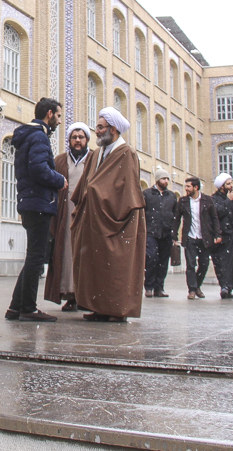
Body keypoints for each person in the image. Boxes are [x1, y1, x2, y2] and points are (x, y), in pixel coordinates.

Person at [70, 107, 146, 322]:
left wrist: (95, 192)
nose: (97, 131)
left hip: (117, 220)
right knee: (96, 265)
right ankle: (99, 307)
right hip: (94, 220)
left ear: (113, 130)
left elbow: (125, 189)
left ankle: (117, 310)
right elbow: (86, 183)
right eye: (97, 127)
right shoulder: (97, 154)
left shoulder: (126, 153)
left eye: (101, 127)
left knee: (116, 266)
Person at [5, 97, 67, 323]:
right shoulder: (39, 136)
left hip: (29, 202)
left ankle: (15, 307)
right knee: (36, 257)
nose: (59, 121)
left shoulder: (29, 135)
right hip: (39, 203)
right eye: (58, 116)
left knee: (32, 256)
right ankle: (28, 308)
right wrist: (59, 180)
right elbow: (39, 169)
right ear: (49, 114)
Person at [45, 122, 92, 311]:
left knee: (87, 254)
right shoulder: (60, 161)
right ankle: (70, 295)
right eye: (74, 137)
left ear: (87, 139)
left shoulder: (95, 160)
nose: (78, 141)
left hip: (88, 216)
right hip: (65, 216)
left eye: (81, 137)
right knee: (67, 255)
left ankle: (87, 296)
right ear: (69, 140)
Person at [177, 177, 220, 299]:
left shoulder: (207, 200)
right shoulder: (183, 201)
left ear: (196, 187)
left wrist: (217, 234)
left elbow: (214, 218)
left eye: (188, 186)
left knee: (204, 264)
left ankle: (197, 285)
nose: (186, 189)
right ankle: (192, 289)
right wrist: (174, 234)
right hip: (190, 237)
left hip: (204, 237)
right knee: (190, 265)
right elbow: (177, 218)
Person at [143, 168, 179, 298]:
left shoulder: (171, 196)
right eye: (164, 179)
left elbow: (175, 215)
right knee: (151, 258)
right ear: (158, 180)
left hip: (166, 233)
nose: (166, 181)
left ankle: (159, 287)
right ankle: (149, 286)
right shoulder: (147, 194)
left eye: (167, 179)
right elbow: (142, 213)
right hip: (151, 232)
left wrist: (174, 234)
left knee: (163, 261)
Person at [210, 173, 233, 299]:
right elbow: (217, 212)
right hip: (220, 235)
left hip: (231, 235)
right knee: (221, 262)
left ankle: (229, 286)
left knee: (231, 263)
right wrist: (228, 200)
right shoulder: (214, 199)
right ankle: (224, 286)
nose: (231, 186)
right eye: (228, 184)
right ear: (221, 186)